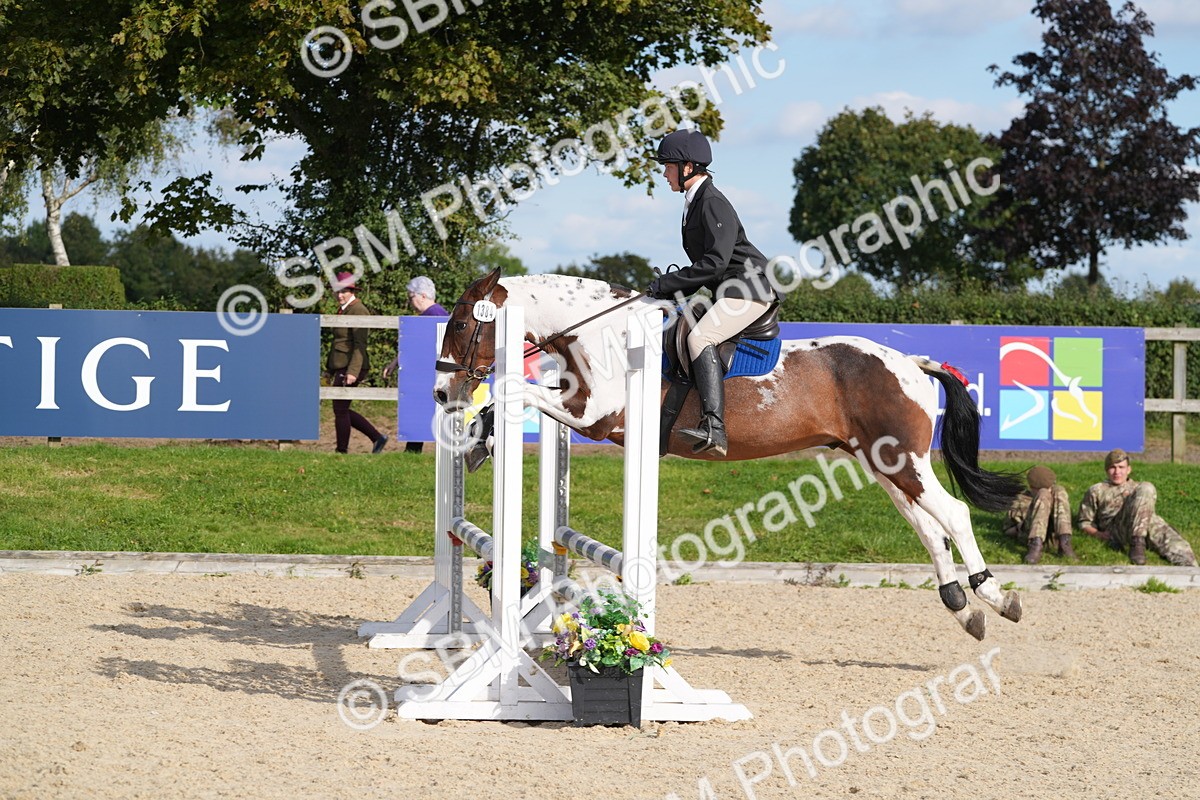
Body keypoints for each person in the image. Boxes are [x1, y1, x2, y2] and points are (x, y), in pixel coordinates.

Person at [644, 129, 779, 458]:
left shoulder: (712, 202)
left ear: (688, 167)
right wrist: (670, 289)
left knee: (699, 339)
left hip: (748, 289)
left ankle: (714, 428)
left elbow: (715, 264)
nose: (664, 173)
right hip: (728, 289)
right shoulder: (695, 201)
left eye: (669, 166)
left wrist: (669, 284)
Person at [1078, 449, 1198, 566]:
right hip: (1118, 529)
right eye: (1112, 467)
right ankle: (1137, 544)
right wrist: (1098, 534)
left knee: (1172, 539)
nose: (1117, 472)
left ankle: (1190, 570)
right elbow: (1084, 523)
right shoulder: (1097, 490)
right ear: (1106, 470)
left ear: (1128, 469)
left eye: (1121, 467)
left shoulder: (1137, 488)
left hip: (1143, 525)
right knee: (1146, 488)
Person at [383, 275, 449, 453]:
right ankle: (412, 449)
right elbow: (414, 347)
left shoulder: (435, 315)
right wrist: (395, 362)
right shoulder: (429, 315)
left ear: (423, 295)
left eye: (411, 297)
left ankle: (413, 449)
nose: (410, 302)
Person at [326, 271, 388, 455]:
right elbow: (338, 343)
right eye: (337, 291)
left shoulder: (358, 309)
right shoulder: (344, 308)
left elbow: (360, 344)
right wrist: (329, 370)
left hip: (352, 366)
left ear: (351, 291)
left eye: (343, 291)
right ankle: (377, 438)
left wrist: (353, 371)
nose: (339, 295)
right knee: (341, 409)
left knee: (340, 409)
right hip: (341, 365)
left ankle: (342, 450)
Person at [1004, 465, 1075, 564]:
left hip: (1053, 536)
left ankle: (1065, 542)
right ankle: (1035, 546)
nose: (1049, 491)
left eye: (1050, 488)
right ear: (1031, 487)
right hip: (1029, 535)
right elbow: (1008, 530)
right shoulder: (1021, 499)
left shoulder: (1055, 493)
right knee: (1043, 494)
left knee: (1060, 490)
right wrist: (1020, 526)